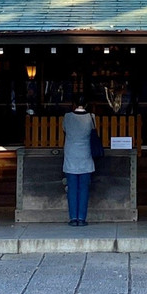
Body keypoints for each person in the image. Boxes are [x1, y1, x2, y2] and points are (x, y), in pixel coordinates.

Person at [63, 94, 95, 226]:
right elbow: (93, 132)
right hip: (85, 154)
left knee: (72, 188)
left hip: (71, 154)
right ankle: (81, 218)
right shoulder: (91, 117)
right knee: (83, 188)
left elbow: (65, 130)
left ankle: (73, 218)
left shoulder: (67, 117)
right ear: (86, 104)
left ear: (74, 103)